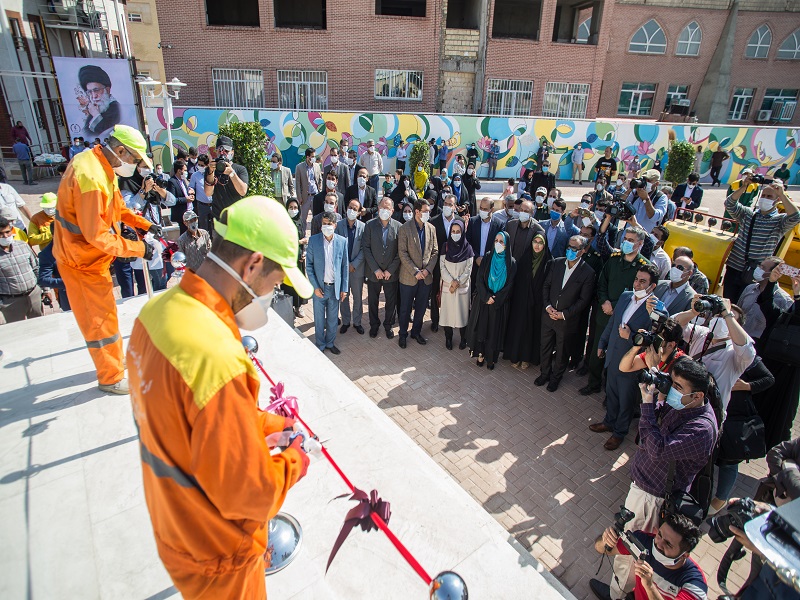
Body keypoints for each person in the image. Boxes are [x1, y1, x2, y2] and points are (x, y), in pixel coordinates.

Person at [127, 195, 311, 599]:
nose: (271, 295)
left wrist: (264, 422)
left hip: (177, 524)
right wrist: (294, 461)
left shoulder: (156, 314)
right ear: (253, 264)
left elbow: (190, 418)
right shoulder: (217, 357)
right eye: (275, 284)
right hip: (220, 557)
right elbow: (249, 495)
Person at [53, 125, 158, 394]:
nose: (135, 166)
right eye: (135, 159)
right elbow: (97, 236)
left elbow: (117, 208)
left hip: (89, 260)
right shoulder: (91, 177)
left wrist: (145, 224)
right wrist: (138, 249)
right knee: (100, 322)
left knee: (107, 317)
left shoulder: (100, 166)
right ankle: (111, 377)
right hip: (80, 262)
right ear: (120, 151)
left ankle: (113, 362)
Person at [607, 356, 718, 599]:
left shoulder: (702, 429)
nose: (672, 390)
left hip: (652, 499)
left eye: (678, 387)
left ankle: (619, 594)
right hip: (645, 489)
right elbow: (656, 423)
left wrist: (647, 403)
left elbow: (657, 448)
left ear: (698, 395)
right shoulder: (685, 405)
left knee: (631, 551)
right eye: (672, 381)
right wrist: (655, 397)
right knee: (631, 550)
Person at [591, 264, 661, 450]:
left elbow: (652, 342)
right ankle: (609, 422)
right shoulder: (625, 296)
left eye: (642, 281)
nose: (637, 284)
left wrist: (630, 337)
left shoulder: (656, 310)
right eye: (636, 279)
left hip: (631, 363)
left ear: (652, 286)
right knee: (611, 393)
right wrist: (602, 343)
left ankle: (619, 433)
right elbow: (613, 322)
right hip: (613, 356)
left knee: (626, 400)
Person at [582, 227, 651, 395]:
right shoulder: (614, 259)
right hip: (604, 312)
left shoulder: (644, 267)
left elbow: (639, 293)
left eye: (631, 240)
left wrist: (615, 306)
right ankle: (593, 383)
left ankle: (610, 390)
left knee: (617, 356)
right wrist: (605, 301)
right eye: (625, 239)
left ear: (640, 244)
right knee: (597, 349)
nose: (626, 242)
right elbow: (602, 282)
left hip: (624, 319)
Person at [590, 511, 707, 600]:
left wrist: (649, 586)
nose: (658, 544)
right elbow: (602, 549)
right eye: (659, 535)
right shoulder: (643, 542)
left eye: (668, 544)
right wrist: (606, 540)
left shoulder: (695, 585)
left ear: (684, 555)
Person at [673, 295, 756, 412]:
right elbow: (675, 324)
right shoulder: (702, 333)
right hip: (681, 400)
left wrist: (727, 314)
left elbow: (747, 350)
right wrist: (693, 312)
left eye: (725, 317)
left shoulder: (735, 352)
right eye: (718, 315)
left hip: (708, 410)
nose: (721, 318)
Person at [723, 176, 800, 302]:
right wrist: (744, 186)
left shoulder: (779, 221)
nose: (765, 198)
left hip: (756, 273)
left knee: (744, 306)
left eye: (769, 196)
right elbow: (729, 204)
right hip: (734, 268)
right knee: (727, 302)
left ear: (777, 200)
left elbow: (796, 216)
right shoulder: (748, 214)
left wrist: (782, 194)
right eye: (763, 195)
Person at [537, 235, 596, 391]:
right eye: (569, 247)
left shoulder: (588, 272)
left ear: (583, 251)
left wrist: (564, 314)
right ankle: (544, 373)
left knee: (562, 351)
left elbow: (583, 300)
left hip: (566, 321)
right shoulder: (556, 263)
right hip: (548, 315)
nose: (570, 250)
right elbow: (546, 286)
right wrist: (548, 306)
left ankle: (556, 378)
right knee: (545, 347)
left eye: (574, 248)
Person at [753, 273, 800, 451]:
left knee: (779, 418)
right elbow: (767, 304)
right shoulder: (783, 317)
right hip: (769, 366)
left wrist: (798, 297)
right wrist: (771, 282)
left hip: (788, 374)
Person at [503, 201, 546, 367]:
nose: (522, 212)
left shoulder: (538, 230)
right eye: (520, 209)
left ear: (532, 213)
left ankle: (524, 353)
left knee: (524, 318)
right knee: (511, 314)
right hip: (510, 275)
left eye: (526, 210)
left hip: (527, 280)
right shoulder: (511, 225)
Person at [468, 231, 516, 369]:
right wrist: (486, 296)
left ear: (507, 245)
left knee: (494, 331)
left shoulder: (511, 262)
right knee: (482, 329)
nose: (498, 244)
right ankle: (480, 354)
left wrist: (497, 299)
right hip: (484, 300)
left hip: (499, 303)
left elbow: (510, 285)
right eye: (496, 241)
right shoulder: (488, 257)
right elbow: (479, 279)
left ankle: (491, 358)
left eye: (501, 242)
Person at [396, 199, 438, 348]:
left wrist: (427, 270)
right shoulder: (405, 228)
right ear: (417, 212)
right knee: (405, 309)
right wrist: (415, 271)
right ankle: (403, 334)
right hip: (409, 277)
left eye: (429, 211)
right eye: (425, 211)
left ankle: (416, 332)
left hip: (426, 277)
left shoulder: (431, 228)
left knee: (421, 308)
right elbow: (402, 252)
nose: (428, 213)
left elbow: (435, 251)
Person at [306, 211, 348, 354]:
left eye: (329, 224)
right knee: (319, 319)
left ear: (335, 225)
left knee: (332, 319)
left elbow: (345, 266)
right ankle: (320, 345)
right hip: (320, 288)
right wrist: (315, 287)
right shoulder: (314, 241)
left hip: (334, 288)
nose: (326, 226)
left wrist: (344, 288)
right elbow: (309, 266)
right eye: (324, 224)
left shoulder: (342, 242)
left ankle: (330, 343)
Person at [363, 197, 401, 339]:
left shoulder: (398, 226)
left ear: (392, 210)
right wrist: (376, 269)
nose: (384, 210)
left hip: (391, 273)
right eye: (382, 207)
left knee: (391, 301)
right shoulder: (369, 225)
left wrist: (390, 270)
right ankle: (374, 325)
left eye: (387, 208)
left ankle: (388, 325)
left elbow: (400, 252)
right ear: (378, 208)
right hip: (374, 273)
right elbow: (366, 248)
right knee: (373, 301)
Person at [737, 256, 792, 342]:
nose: (758, 269)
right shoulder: (750, 288)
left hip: (757, 343)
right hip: (736, 336)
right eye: (759, 265)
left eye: (762, 268)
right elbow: (737, 312)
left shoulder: (784, 300)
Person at [0, 216, 42, 323]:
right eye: (1, 234)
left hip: (34, 295)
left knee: (40, 326)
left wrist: (44, 290)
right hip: (11, 302)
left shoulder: (23, 246)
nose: (5, 236)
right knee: (18, 331)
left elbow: (36, 268)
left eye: (7, 232)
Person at [439, 219, 473, 350]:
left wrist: (458, 281)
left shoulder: (468, 248)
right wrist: (451, 281)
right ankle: (448, 338)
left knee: (462, 314)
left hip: (461, 287)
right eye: (453, 231)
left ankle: (464, 338)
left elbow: (468, 269)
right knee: (447, 314)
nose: (455, 234)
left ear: (463, 232)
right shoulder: (445, 247)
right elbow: (442, 267)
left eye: (458, 231)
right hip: (448, 286)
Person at [429, 195, 460, 332]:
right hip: (437, 263)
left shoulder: (459, 221)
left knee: (451, 291)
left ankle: (450, 319)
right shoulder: (433, 221)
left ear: (455, 206)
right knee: (435, 291)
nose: (447, 206)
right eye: (445, 203)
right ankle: (435, 320)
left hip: (454, 264)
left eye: (450, 204)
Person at [337, 199, 366, 335]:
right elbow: (336, 246)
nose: (352, 211)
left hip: (357, 269)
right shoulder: (338, 226)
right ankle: (346, 321)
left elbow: (364, 249)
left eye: (355, 209)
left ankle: (357, 322)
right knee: (344, 296)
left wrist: (354, 264)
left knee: (358, 297)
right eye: (350, 207)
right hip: (343, 269)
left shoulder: (363, 227)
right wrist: (345, 264)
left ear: (359, 212)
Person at [205, 135, 249, 223]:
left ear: (232, 152)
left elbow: (243, 191)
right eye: (220, 150)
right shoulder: (211, 170)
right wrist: (211, 172)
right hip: (219, 218)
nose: (223, 153)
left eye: (226, 151)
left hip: (236, 218)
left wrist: (231, 173)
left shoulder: (240, 169)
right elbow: (208, 193)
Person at [466, 197, 503, 286]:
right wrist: (476, 257)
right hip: (474, 264)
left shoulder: (499, 224)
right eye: (481, 208)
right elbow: (467, 242)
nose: (482, 211)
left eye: (485, 209)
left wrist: (487, 259)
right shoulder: (473, 221)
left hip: (490, 265)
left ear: (492, 209)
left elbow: (499, 245)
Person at [282, 198, 309, 318]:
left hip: (299, 259)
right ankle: (289, 308)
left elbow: (304, 237)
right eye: (290, 207)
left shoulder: (301, 221)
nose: (293, 210)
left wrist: (304, 252)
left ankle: (299, 306)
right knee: (288, 284)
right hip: (288, 259)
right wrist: (299, 242)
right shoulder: (283, 223)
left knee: (298, 282)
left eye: (295, 208)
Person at [77, 65, 121, 136]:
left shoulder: (116, 108)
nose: (94, 96)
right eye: (90, 92)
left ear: (107, 90)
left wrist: (96, 114)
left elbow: (107, 133)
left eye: (96, 90)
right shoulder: (95, 110)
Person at [37, 227, 70, 312]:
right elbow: (43, 279)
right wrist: (67, 282)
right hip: (69, 298)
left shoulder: (77, 244)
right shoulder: (47, 254)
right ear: (53, 235)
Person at [188, 154, 213, 233]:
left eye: (202, 165)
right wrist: (191, 191)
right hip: (202, 205)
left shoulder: (212, 174)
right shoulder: (195, 175)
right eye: (198, 164)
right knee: (203, 228)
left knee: (215, 227)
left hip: (213, 205)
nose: (200, 166)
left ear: (207, 165)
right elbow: (191, 186)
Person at [167, 159, 192, 234]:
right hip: (181, 215)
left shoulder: (183, 181)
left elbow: (185, 193)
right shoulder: (172, 182)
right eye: (185, 170)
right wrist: (186, 199)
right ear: (179, 171)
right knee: (184, 235)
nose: (186, 172)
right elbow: (172, 200)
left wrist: (190, 195)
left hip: (189, 212)